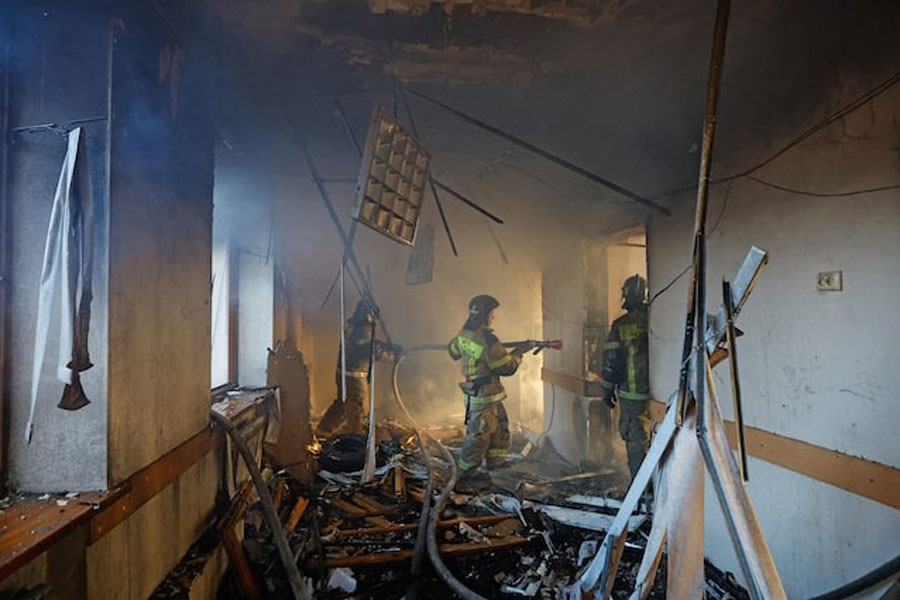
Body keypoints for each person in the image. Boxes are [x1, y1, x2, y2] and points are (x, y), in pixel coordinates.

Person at [448, 294, 525, 484]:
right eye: (492, 313)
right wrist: (519, 352)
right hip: (484, 394)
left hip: (485, 392)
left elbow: (453, 352)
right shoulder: (487, 339)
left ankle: (496, 461)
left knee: (499, 427)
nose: (493, 317)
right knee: (479, 434)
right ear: (484, 315)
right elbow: (507, 367)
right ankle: (467, 473)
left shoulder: (464, 333)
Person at [316, 299, 401, 436]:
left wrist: (388, 346)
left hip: (343, 373)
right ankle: (354, 440)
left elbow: (368, 344)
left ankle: (323, 430)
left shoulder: (352, 325)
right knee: (356, 408)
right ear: (368, 313)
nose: (374, 320)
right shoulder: (363, 329)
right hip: (354, 377)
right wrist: (392, 357)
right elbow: (370, 351)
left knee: (342, 404)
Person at [598, 274, 651, 481]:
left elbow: (612, 361)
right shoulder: (656, 319)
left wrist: (606, 389)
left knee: (636, 440)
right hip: (660, 396)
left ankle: (642, 492)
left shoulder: (620, 325)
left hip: (632, 395)